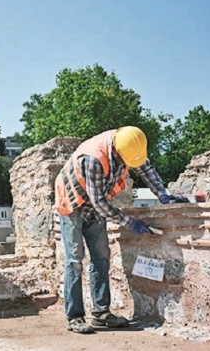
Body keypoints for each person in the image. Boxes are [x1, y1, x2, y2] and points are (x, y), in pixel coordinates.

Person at [54, 126, 188, 334]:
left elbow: (145, 169)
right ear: (117, 152)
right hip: (72, 202)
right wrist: (129, 222)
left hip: (95, 203)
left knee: (101, 256)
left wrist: (163, 193)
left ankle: (101, 314)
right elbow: (98, 202)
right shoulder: (94, 158)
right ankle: (75, 317)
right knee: (74, 259)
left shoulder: (130, 145)